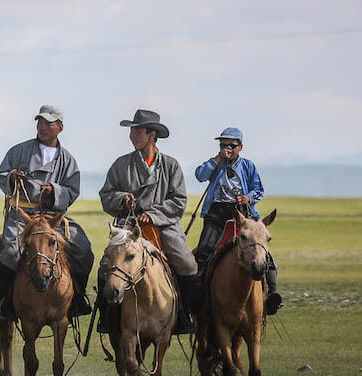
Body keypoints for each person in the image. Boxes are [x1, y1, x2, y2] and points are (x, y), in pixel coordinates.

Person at [98, 109, 198, 334]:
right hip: (127, 225)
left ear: (152, 135)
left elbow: (179, 200)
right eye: (131, 131)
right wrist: (122, 199)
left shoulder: (171, 165)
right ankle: (107, 317)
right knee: (106, 264)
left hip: (163, 225)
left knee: (187, 264)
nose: (132, 135)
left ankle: (184, 315)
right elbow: (106, 194)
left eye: (138, 131)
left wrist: (153, 214)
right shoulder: (121, 164)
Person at [0, 105, 94, 320]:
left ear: (60, 127)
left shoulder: (68, 160)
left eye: (48, 123)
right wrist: (11, 177)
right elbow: (1, 174)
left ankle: (77, 299)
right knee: (11, 252)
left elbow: (72, 190)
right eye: (39, 122)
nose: (42, 127)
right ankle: (3, 303)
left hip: (53, 219)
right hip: (23, 215)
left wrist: (54, 191)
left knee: (84, 250)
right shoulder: (18, 150)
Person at [193, 127, 282, 315]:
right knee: (203, 250)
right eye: (223, 145)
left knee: (261, 250)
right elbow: (200, 175)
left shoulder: (248, 166)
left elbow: (259, 190)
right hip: (216, 213)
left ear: (240, 147)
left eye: (232, 145)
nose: (227, 148)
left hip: (243, 214)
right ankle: (196, 294)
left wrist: (248, 198)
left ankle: (272, 293)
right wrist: (217, 159)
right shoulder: (215, 163)